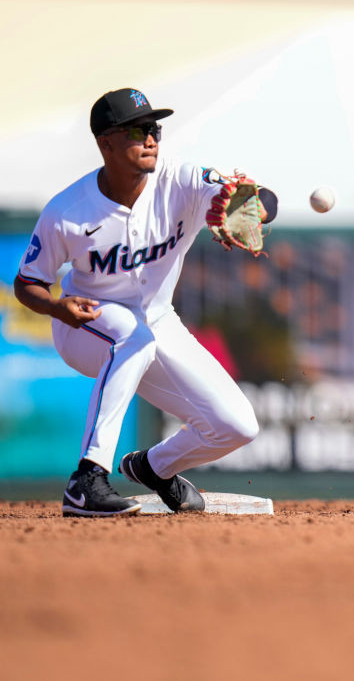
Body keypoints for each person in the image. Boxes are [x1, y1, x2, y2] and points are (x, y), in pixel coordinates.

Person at [14, 88, 275, 517]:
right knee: (131, 337)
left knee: (236, 426)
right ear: (106, 143)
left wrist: (255, 209)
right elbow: (28, 284)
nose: (151, 138)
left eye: (154, 128)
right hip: (85, 323)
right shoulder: (67, 211)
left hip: (158, 320)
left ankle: (154, 468)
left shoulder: (180, 180)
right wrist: (57, 308)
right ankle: (87, 479)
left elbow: (260, 198)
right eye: (137, 130)